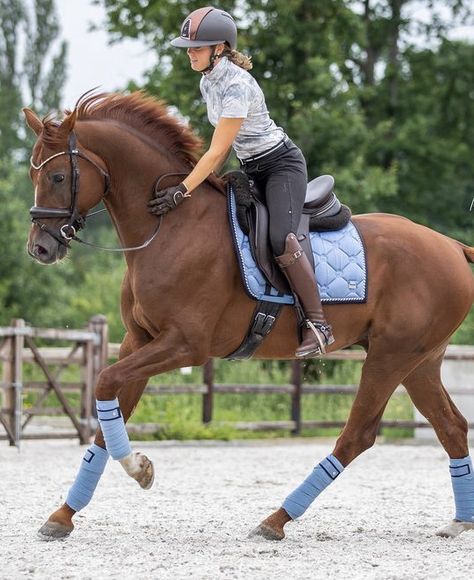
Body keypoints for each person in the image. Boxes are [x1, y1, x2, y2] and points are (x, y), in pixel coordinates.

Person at [148, 6, 334, 357]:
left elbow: (217, 152)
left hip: (281, 166)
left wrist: (183, 190)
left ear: (219, 48)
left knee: (281, 237)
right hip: (252, 167)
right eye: (188, 46)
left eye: (196, 47)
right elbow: (220, 141)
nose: (189, 52)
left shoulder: (236, 86)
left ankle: (319, 324)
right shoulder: (207, 81)